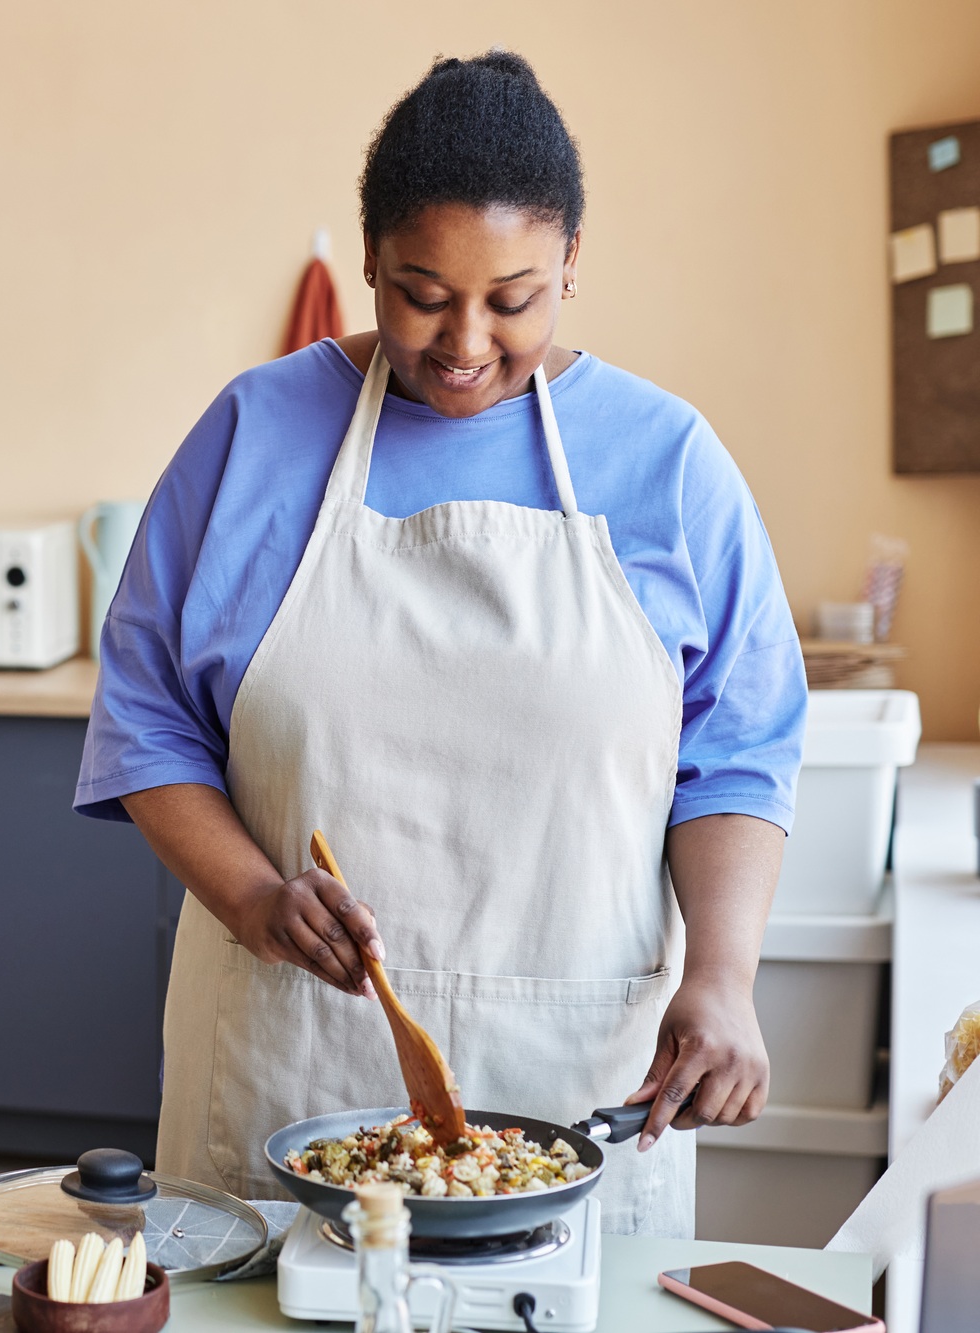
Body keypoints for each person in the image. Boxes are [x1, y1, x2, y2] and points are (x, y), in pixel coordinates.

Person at [74, 52, 804, 1237]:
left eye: (512, 297)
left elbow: (734, 756)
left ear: (571, 264)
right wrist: (256, 898)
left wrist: (719, 978)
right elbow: (146, 722)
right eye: (420, 292)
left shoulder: (667, 463)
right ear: (366, 260)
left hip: (576, 1091)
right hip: (289, 1079)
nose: (464, 340)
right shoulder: (252, 436)